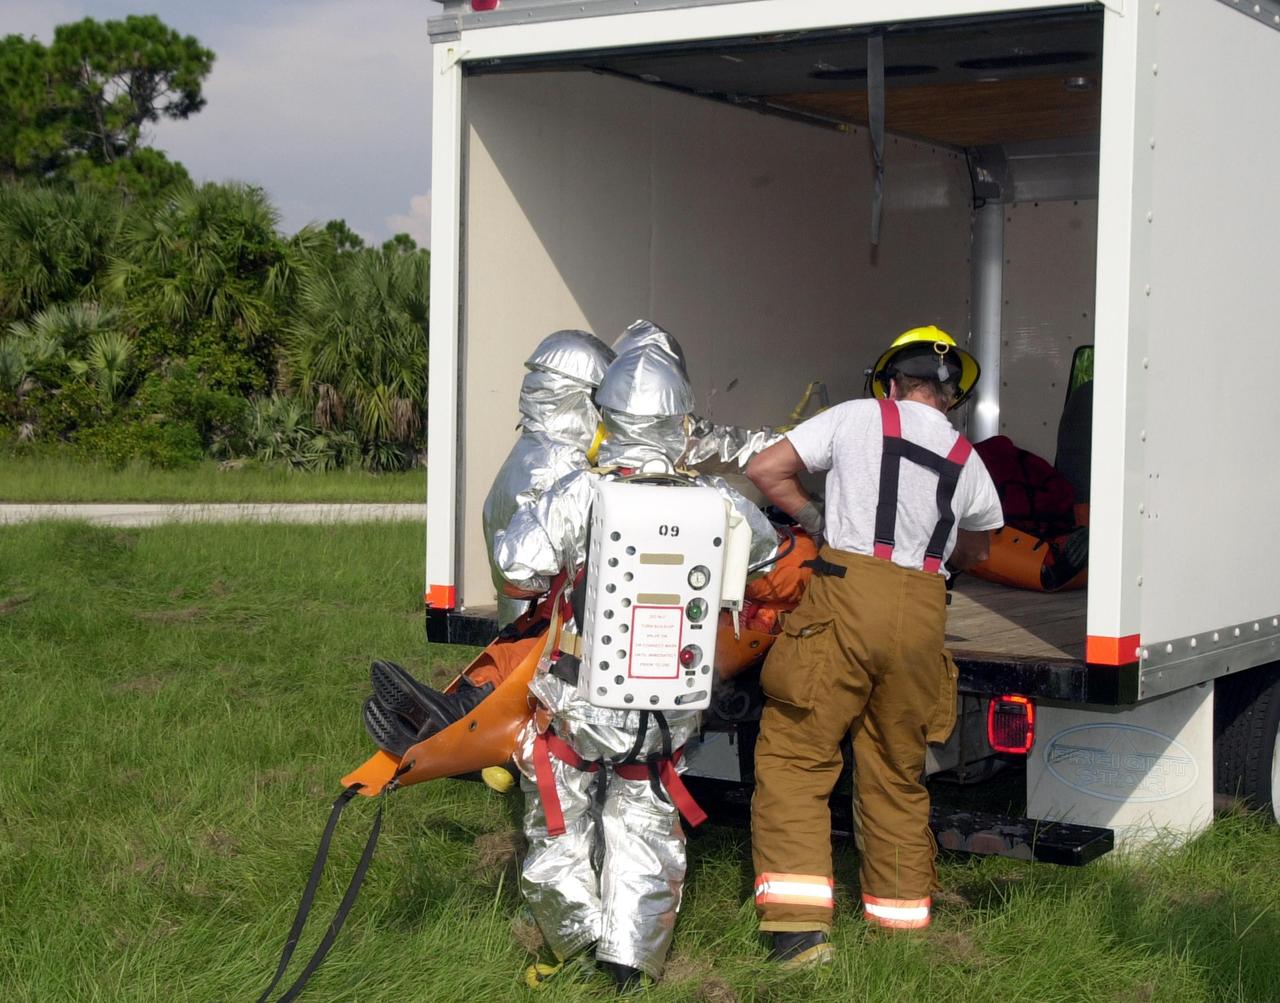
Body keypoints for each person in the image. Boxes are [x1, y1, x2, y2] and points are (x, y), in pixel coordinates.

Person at [494, 340, 780, 989]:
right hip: (667, 706)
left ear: (607, 418)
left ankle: (571, 936)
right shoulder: (716, 498)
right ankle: (630, 963)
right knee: (646, 818)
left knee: (559, 813)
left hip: (580, 699)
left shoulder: (581, 491)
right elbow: (764, 554)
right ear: (682, 421)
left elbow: (517, 568)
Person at [743, 325, 1003, 966]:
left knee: (798, 758)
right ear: (951, 397)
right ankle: (901, 930)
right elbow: (980, 548)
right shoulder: (968, 458)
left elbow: (765, 469)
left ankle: (800, 936)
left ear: (890, 383)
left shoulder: (857, 417)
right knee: (895, 773)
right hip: (923, 614)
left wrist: (816, 517)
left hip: (845, 597)